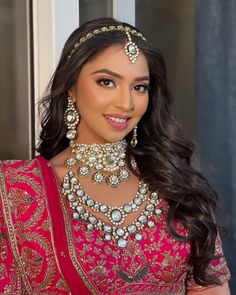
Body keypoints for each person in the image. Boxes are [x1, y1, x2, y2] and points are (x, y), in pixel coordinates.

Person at [0, 17, 231, 295]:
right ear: (71, 88)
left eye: (139, 87)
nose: (126, 103)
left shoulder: (177, 187)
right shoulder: (17, 191)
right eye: (107, 82)